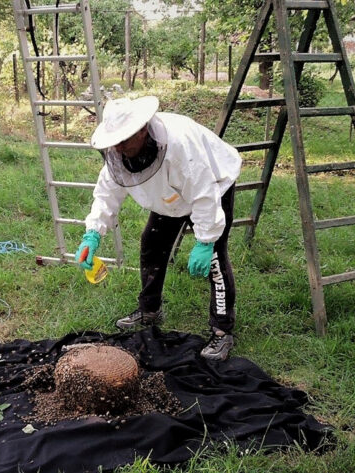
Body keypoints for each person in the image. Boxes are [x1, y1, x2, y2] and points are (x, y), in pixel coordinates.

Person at [75, 96, 242, 361]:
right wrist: (92, 233)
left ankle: (222, 331)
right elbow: (107, 193)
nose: (117, 147)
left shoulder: (180, 146)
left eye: (123, 140)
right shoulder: (119, 153)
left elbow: (204, 192)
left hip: (213, 183)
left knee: (215, 259)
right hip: (169, 195)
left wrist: (205, 241)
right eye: (114, 141)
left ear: (142, 129)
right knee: (152, 244)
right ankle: (149, 310)